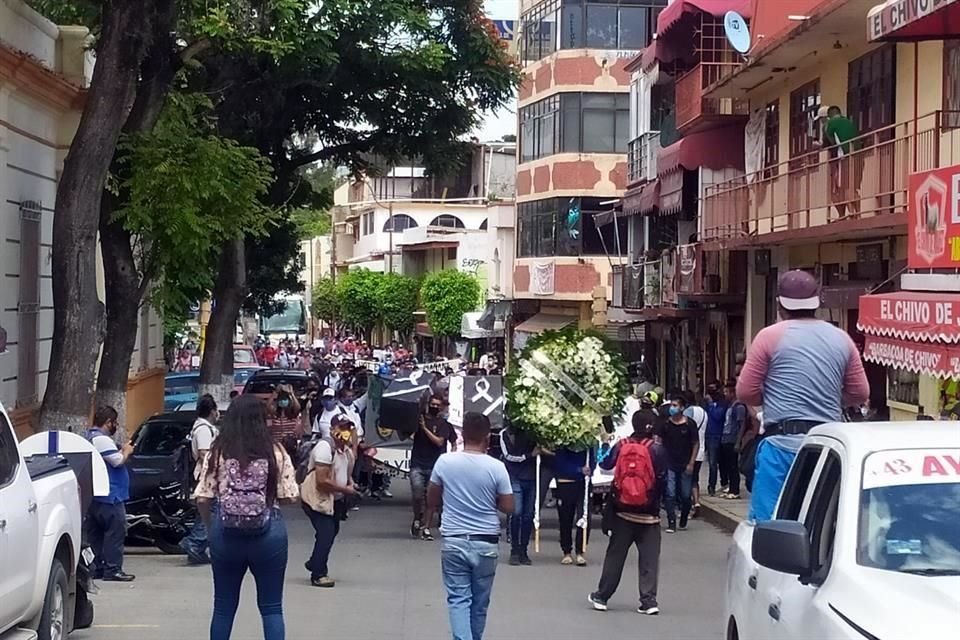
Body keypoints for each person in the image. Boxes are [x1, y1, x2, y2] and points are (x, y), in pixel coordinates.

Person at [738, 270, 869, 520]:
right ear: (818, 301)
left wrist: (773, 396)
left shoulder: (768, 337)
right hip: (827, 448)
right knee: (824, 522)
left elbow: (746, 392)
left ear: (779, 304)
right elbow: (860, 392)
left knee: (767, 527)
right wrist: (829, 398)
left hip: (781, 446)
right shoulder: (841, 338)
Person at [193, 395, 299, 640]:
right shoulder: (275, 451)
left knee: (223, 608)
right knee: (272, 608)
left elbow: (202, 498)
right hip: (268, 533)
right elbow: (290, 496)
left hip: (225, 532)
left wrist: (211, 529)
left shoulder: (218, 450)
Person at [423, 412, 514, 640]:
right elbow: (509, 506)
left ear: (462, 433)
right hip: (486, 542)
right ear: (487, 436)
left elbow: (432, 499)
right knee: (480, 603)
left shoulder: (445, 462)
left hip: (454, 540)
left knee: (458, 599)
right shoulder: (496, 468)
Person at [589, 409, 667, 615]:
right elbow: (662, 478)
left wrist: (605, 443)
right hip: (649, 514)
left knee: (615, 555)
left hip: (622, 512)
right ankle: (648, 601)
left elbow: (604, 464)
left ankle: (602, 596)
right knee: (649, 558)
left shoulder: (622, 445)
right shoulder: (657, 449)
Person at [300, 416, 356, 587]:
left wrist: (350, 483)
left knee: (331, 531)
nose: (345, 432)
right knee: (326, 533)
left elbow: (345, 473)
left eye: (348, 428)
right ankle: (318, 574)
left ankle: (314, 561)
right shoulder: (325, 448)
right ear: (333, 429)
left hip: (334, 501)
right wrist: (346, 490)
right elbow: (322, 481)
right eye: (341, 427)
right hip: (317, 499)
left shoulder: (346, 451)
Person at [84, 406, 135, 581]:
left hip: (96, 495)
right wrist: (126, 451)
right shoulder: (102, 440)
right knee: (115, 533)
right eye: (114, 422)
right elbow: (117, 461)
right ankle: (113, 569)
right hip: (110, 495)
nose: (116, 426)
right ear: (108, 423)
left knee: (96, 535)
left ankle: (97, 567)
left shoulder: (88, 437)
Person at [410, 395, 457, 540]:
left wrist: (424, 428)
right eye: (433, 404)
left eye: (438, 405)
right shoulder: (419, 420)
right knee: (418, 495)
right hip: (418, 463)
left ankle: (426, 528)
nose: (435, 407)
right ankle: (418, 518)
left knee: (432, 499)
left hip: (436, 466)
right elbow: (404, 436)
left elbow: (439, 442)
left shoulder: (443, 424)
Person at [181, 394, 221, 564]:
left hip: (207, 475)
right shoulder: (204, 430)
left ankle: (197, 545)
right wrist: (216, 473)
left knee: (207, 511)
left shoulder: (203, 427)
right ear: (212, 411)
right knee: (210, 511)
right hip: (207, 476)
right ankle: (194, 543)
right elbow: (205, 454)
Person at [658, 394, 699, 533]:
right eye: (671, 405)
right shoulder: (666, 424)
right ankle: (671, 522)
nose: (672, 408)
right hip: (669, 463)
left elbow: (695, 443)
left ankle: (684, 518)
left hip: (685, 463)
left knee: (686, 495)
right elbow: (659, 442)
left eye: (675, 405)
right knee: (670, 493)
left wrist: (691, 462)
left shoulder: (689, 424)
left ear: (682, 408)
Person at [500, 423, 537, 565]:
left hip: (531, 477)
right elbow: (508, 456)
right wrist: (529, 456)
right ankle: (514, 550)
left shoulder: (533, 432)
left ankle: (523, 551)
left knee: (528, 515)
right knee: (516, 513)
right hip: (514, 477)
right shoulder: (505, 434)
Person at [553, 445, 594, 565]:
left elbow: (592, 459)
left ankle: (580, 551)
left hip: (583, 483)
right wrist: (578, 470)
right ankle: (566, 551)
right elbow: (559, 464)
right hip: (565, 482)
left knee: (584, 516)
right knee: (565, 518)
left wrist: (590, 468)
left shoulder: (588, 442)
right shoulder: (562, 443)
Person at [819, 105, 862, 218]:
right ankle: (857, 213)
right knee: (853, 187)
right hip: (859, 155)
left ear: (827, 117)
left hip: (844, 158)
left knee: (843, 187)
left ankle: (849, 214)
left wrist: (818, 145)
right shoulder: (848, 122)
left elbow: (828, 143)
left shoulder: (829, 125)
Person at [719, 383, 746, 500]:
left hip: (732, 439)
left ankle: (735, 490)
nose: (724, 394)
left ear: (732, 393)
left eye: (726, 392)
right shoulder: (730, 406)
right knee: (728, 466)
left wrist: (738, 441)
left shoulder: (739, 407)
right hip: (726, 438)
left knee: (733, 466)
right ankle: (730, 488)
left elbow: (742, 424)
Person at [683, 390, 707, 514]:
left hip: (689, 450)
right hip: (701, 449)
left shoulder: (688, 413)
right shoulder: (704, 412)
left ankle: (690, 503)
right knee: (695, 478)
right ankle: (696, 502)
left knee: (687, 479)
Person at [704, 386, 728, 497]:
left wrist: (710, 405)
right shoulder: (706, 406)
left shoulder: (722, 405)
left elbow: (718, 416)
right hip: (708, 435)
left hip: (717, 435)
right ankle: (712, 485)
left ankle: (719, 484)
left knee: (717, 463)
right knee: (711, 462)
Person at [267, 384, 302, 452]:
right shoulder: (275, 414)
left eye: (285, 399)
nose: (283, 401)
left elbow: (298, 407)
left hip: (290, 445)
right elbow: (268, 406)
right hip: (277, 445)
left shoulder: (292, 414)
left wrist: (291, 394)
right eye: (281, 399)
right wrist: (275, 393)